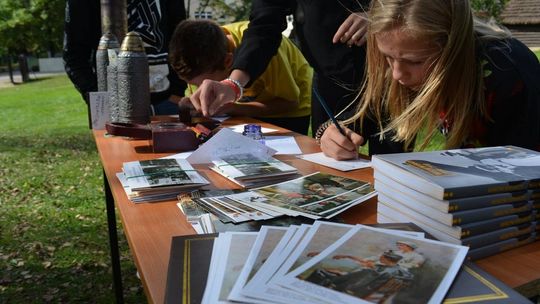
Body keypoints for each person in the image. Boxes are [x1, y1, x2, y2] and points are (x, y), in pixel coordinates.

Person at [318, 0, 540, 160]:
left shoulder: (506, 74)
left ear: (452, 47)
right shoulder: (406, 59)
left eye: (414, 62)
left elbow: (521, 172)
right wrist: (331, 134)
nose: (397, 74)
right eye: (387, 57)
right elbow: (364, 117)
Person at [187, 0, 370, 134]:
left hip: (385, 77)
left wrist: (379, 14)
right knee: (331, 164)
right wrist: (233, 84)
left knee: (388, 164)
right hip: (329, 80)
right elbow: (265, 24)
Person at [168, 19, 312, 135]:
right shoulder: (204, 55)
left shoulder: (265, 48)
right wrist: (191, 104)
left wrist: (233, 108)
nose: (202, 89)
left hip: (288, 116)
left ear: (228, 61)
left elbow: (290, 103)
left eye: (207, 83)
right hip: (240, 114)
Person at [63, 0, 187, 121]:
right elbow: (74, 55)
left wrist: (177, 92)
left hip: (167, 102)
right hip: (112, 108)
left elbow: (180, 38)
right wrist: (100, 100)